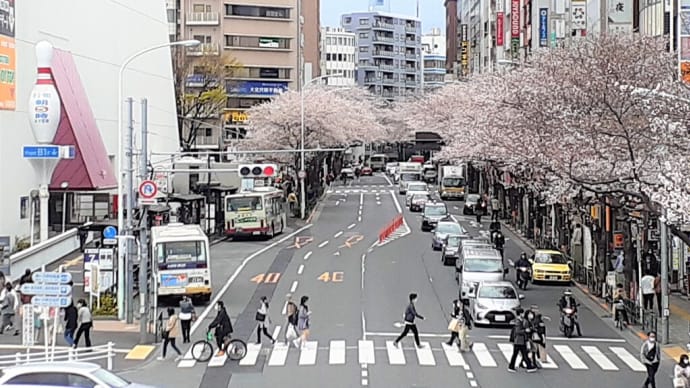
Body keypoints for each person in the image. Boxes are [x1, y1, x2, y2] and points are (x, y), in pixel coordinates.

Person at [508, 307, 536, 373]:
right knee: (523, 354)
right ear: (520, 314)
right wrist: (525, 330)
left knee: (518, 354)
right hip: (519, 341)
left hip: (519, 341)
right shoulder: (518, 321)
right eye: (522, 313)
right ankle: (529, 366)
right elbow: (518, 331)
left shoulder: (520, 320)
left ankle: (511, 366)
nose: (523, 314)